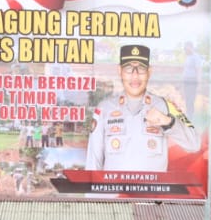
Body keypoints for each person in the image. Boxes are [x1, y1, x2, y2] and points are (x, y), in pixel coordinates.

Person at [85, 45, 202, 173]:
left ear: (149, 71)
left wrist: (169, 123)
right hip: (114, 192)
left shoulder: (165, 105)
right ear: (119, 70)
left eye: (141, 68)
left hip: (151, 193)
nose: (135, 76)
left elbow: (194, 144)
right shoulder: (104, 109)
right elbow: (93, 163)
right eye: (129, 68)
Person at [181, 41, 205, 119]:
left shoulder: (196, 57)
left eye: (186, 48)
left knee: (191, 98)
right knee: (187, 97)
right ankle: (188, 113)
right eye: (185, 48)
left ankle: (190, 115)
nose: (185, 50)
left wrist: (199, 84)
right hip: (186, 80)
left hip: (192, 81)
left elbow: (199, 70)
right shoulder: (188, 57)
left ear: (191, 47)